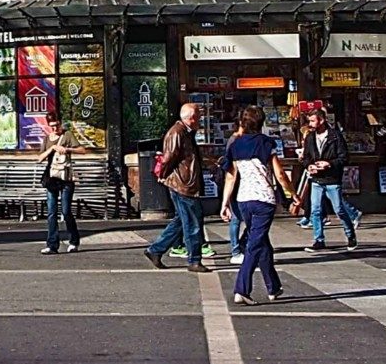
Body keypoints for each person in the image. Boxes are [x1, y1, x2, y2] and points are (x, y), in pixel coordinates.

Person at [221, 105, 303, 305]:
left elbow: (231, 177)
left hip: (243, 200)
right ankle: (242, 289)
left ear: (242, 122)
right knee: (255, 245)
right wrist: (293, 194)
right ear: (261, 122)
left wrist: (224, 203)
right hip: (264, 200)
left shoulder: (235, 145)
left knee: (262, 242)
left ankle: (273, 287)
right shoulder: (267, 143)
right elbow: (280, 175)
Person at [144, 102, 208, 272]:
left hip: (186, 183)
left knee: (181, 220)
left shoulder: (186, 132)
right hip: (182, 184)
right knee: (192, 222)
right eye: (199, 117)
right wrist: (162, 175)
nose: (200, 120)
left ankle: (155, 250)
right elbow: (168, 158)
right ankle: (194, 260)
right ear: (191, 118)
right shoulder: (177, 133)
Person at [299, 106, 361, 251]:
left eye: (313, 121)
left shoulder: (335, 136)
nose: (311, 124)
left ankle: (350, 235)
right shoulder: (310, 137)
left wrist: (329, 164)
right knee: (315, 210)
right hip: (316, 179)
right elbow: (306, 157)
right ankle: (318, 239)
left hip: (332, 178)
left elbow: (344, 157)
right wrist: (309, 166)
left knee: (339, 209)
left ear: (321, 120)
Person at [38, 115, 81, 254]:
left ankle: (74, 241)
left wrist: (67, 150)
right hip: (52, 179)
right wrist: (52, 149)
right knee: (51, 213)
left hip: (66, 177)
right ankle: (52, 245)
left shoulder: (67, 135)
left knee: (66, 211)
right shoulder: (46, 139)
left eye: (56, 125)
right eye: (52, 126)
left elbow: (82, 150)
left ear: (61, 123)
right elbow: (39, 158)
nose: (55, 128)